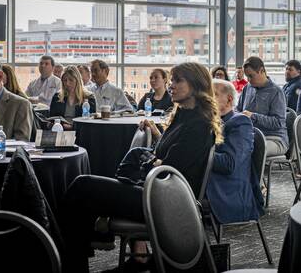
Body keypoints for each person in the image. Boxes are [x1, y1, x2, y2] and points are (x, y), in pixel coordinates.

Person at [60, 62, 222, 272]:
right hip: (154, 191)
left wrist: (152, 161)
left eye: (177, 80)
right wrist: (154, 160)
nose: (171, 85)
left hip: (167, 201)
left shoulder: (199, 124)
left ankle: (76, 259)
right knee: (82, 192)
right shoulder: (181, 116)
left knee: (82, 187)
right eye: (171, 80)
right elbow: (159, 157)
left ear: (197, 86)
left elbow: (167, 168)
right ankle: (91, 253)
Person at [207, 79, 263, 224]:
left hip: (227, 191)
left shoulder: (240, 122)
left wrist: (197, 153)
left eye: (213, 94)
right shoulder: (209, 122)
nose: (207, 98)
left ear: (229, 99)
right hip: (209, 184)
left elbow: (229, 164)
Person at [237, 56, 288, 157]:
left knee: (250, 148)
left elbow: (278, 123)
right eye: (247, 77)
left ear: (261, 71)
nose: (249, 80)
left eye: (251, 76)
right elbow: (238, 109)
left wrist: (253, 116)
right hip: (251, 136)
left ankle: (250, 173)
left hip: (275, 139)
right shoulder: (247, 88)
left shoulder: (276, 92)